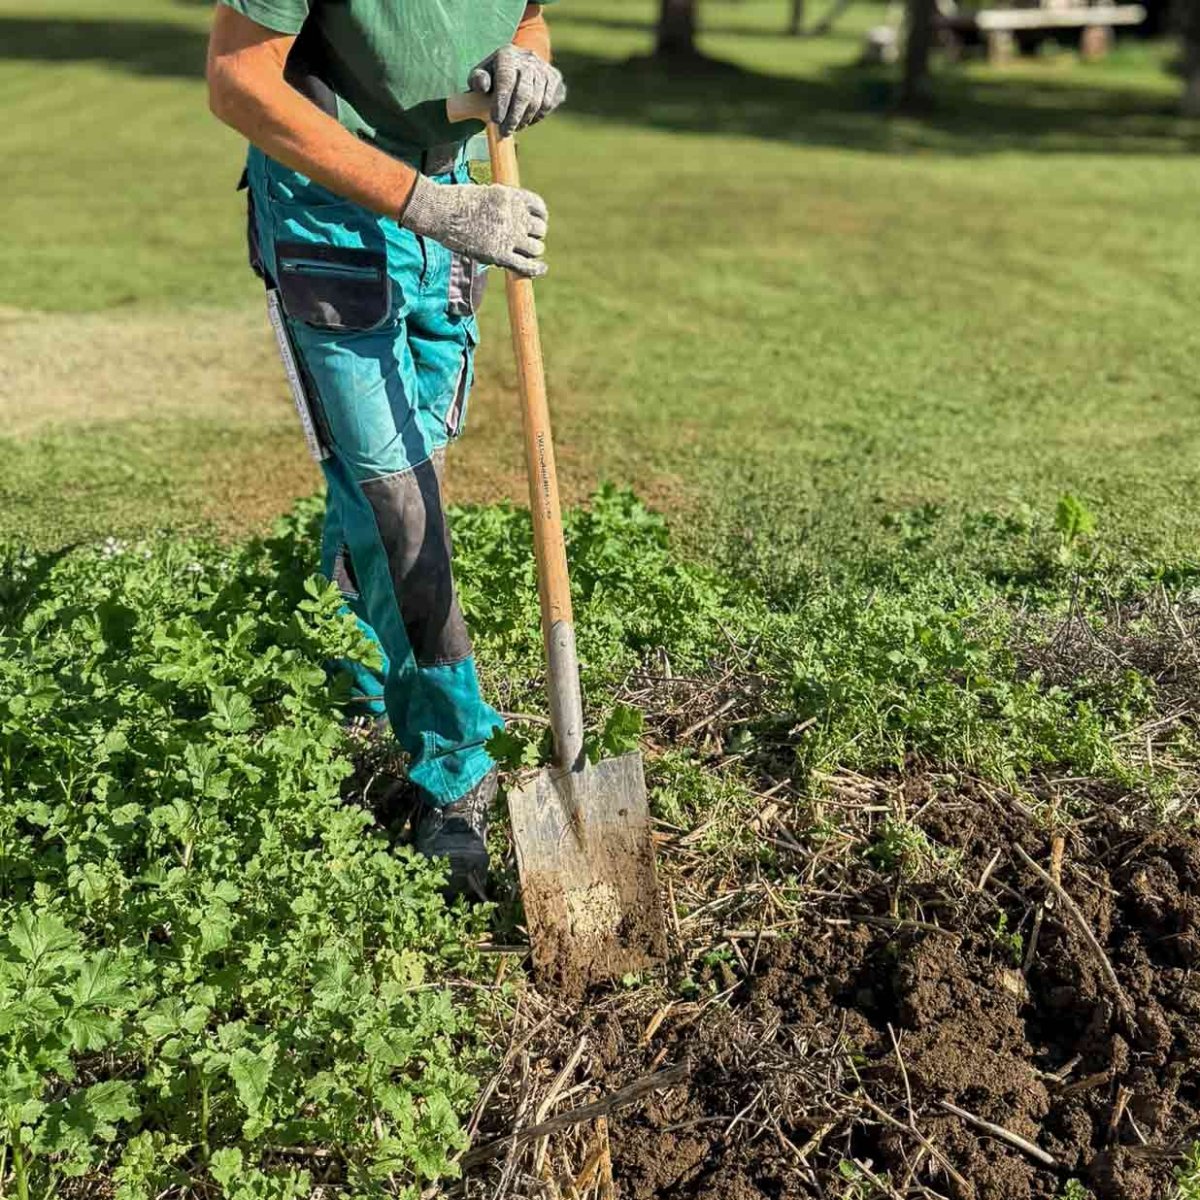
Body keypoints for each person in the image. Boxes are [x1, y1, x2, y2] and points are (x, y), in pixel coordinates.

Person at [206, 1, 566, 899]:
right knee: (399, 503)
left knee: (406, 478)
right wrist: (424, 204)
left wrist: (524, 60)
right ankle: (452, 770)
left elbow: (526, 16)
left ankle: (348, 672)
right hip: (330, 219)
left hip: (452, 214)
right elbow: (237, 80)